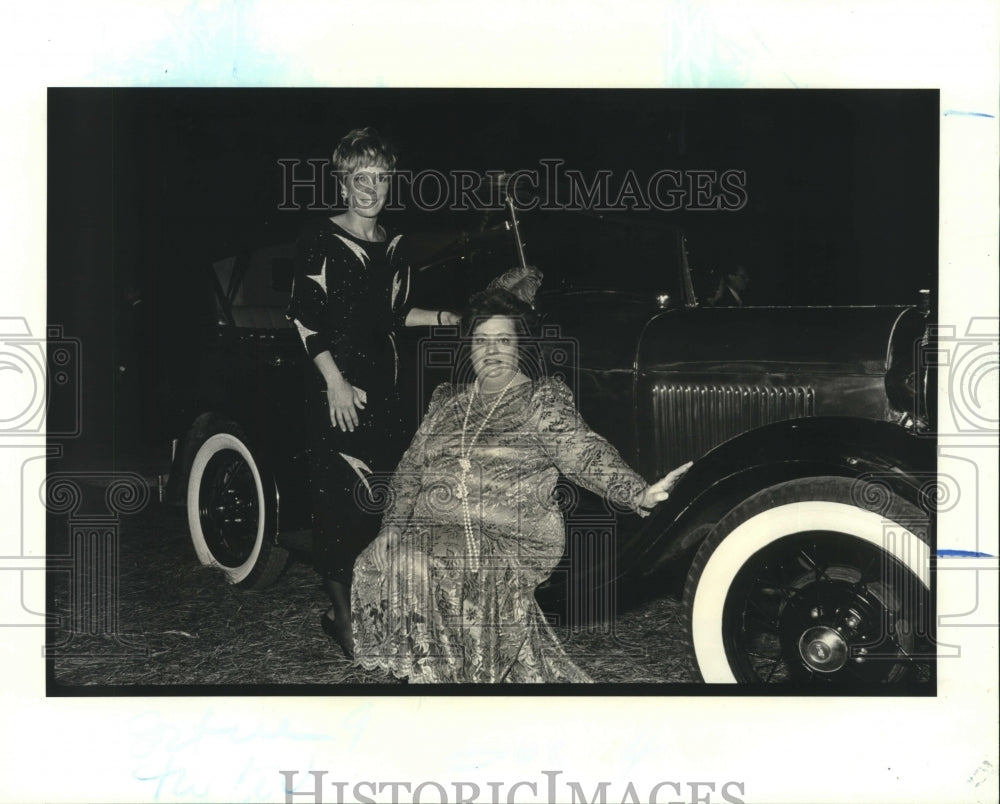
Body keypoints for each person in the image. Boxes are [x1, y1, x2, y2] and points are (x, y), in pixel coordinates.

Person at [351, 285, 692, 683]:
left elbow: (582, 451)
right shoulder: (447, 400)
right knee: (377, 560)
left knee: (421, 561)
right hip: (433, 528)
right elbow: (411, 467)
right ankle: (433, 675)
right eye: (482, 340)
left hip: (505, 534)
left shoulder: (540, 398)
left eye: (503, 340)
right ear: (469, 345)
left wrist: (637, 492)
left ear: (520, 345)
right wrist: (391, 528)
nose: (491, 350)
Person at [286, 127, 460, 658]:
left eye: (380, 178)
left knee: (383, 504)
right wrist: (335, 382)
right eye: (361, 178)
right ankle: (343, 620)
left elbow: (394, 314)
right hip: (340, 392)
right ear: (344, 182)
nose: (371, 189)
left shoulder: (395, 245)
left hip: (386, 393)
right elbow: (301, 316)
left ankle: (375, 608)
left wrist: (446, 317)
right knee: (342, 507)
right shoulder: (322, 241)